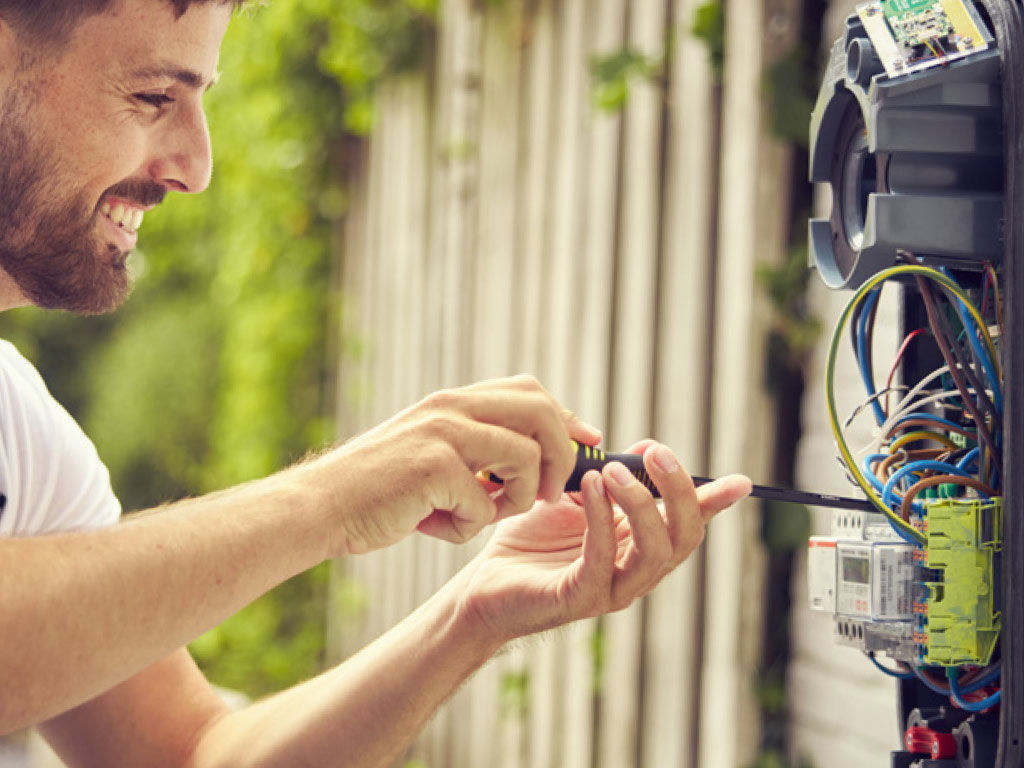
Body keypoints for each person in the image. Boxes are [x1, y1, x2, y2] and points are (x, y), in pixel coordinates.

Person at [0, 1, 753, 765]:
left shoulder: (17, 425)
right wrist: (333, 500)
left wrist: (469, 616)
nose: (196, 167)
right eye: (154, 97)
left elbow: (190, 754)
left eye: (201, 102)